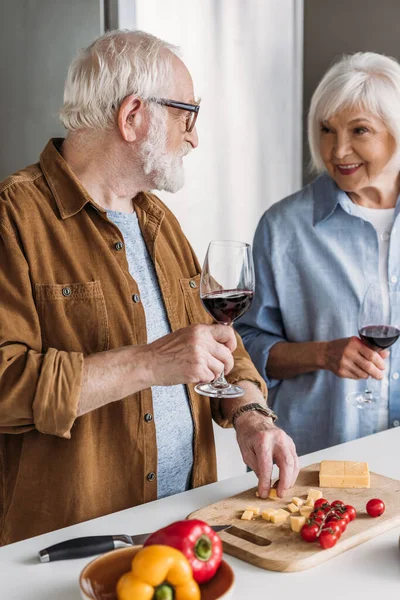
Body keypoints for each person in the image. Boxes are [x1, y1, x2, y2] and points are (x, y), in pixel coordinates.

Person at [0, 30, 299, 546]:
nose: (194, 137)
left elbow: (221, 345)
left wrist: (250, 415)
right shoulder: (13, 218)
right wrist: (147, 362)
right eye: (188, 115)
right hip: (71, 544)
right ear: (133, 115)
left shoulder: (158, 219)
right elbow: (6, 385)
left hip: (184, 528)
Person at [236, 52, 400, 457]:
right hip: (315, 463)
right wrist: (324, 354)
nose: (338, 150)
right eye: (327, 130)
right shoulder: (284, 227)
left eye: (359, 130)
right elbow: (242, 349)